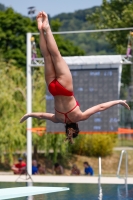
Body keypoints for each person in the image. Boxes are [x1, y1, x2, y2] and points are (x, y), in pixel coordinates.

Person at [20, 11, 130, 144]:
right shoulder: (58, 119)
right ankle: (41, 31)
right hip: (53, 89)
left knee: (56, 56)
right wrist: (28, 115)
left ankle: (47, 28)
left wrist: (118, 101)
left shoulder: (80, 116)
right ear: (66, 128)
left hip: (65, 88)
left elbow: (100, 107)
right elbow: (42, 115)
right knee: (47, 57)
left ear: (77, 126)